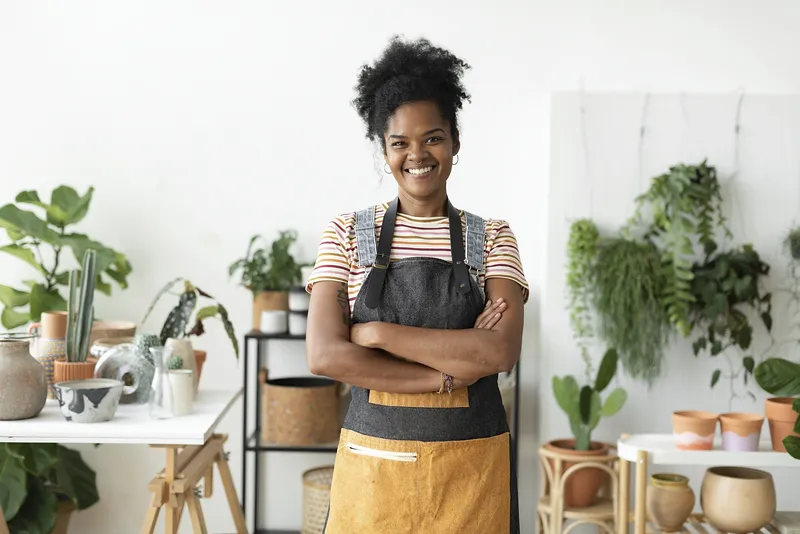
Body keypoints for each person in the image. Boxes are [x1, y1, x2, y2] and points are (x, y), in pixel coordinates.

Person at [305, 35, 529, 534]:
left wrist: (379, 336)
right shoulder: (344, 233)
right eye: (399, 143)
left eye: (433, 137)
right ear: (384, 151)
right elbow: (324, 356)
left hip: (471, 469)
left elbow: (499, 354)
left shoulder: (492, 237)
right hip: (374, 466)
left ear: (454, 141)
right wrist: (446, 374)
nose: (417, 155)